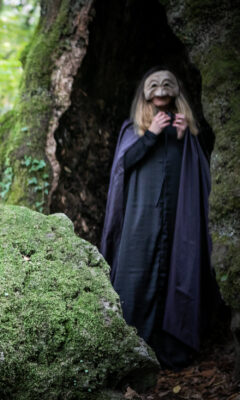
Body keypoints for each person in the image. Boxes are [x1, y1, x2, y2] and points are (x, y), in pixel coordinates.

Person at [100, 67, 220, 370]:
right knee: (137, 274)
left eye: (168, 85)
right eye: (154, 86)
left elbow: (197, 171)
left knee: (177, 273)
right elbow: (124, 164)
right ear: (145, 93)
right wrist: (152, 134)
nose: (162, 91)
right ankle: (134, 347)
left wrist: (180, 137)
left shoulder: (187, 133)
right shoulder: (133, 130)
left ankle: (173, 350)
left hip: (179, 220)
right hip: (141, 220)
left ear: (176, 91)